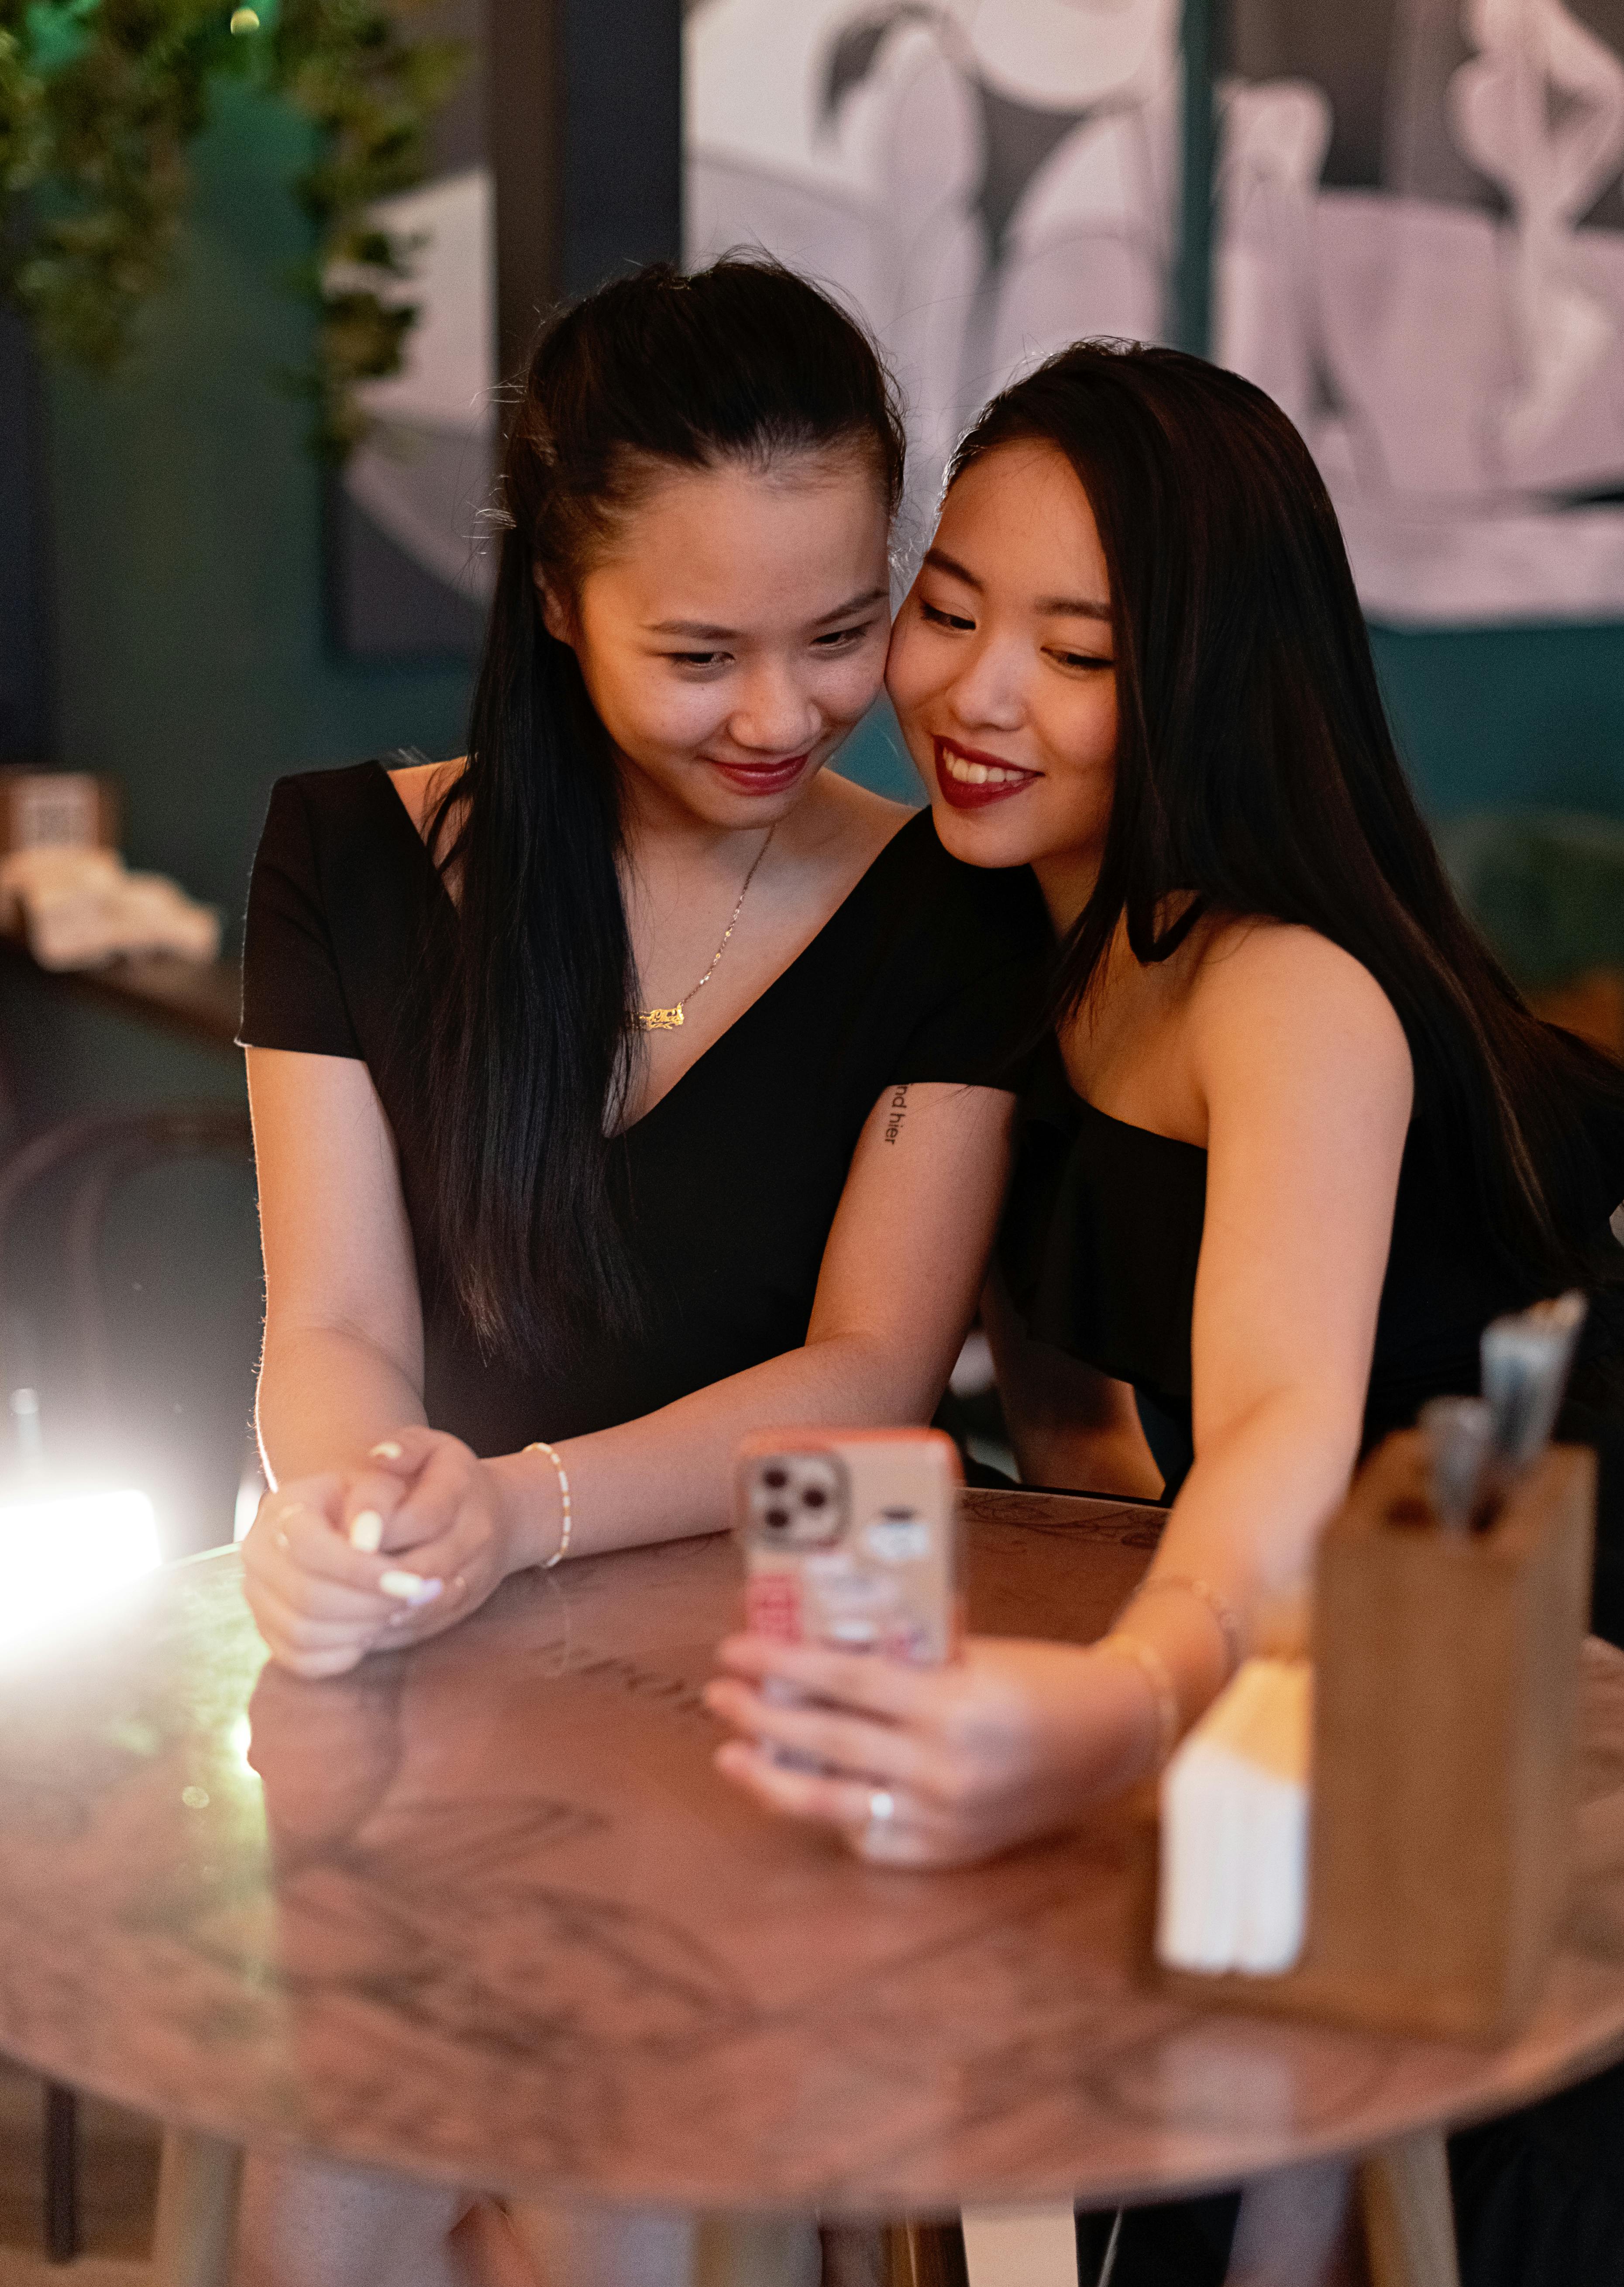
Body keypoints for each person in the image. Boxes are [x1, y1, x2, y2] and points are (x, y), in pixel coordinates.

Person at [707, 342, 1624, 2287]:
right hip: (1337, 1661)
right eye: (947, 607)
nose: (974, 693)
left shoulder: (1278, 984)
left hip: (1572, 1636)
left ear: (1209, 671)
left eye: (1078, 648)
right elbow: (1073, 1427)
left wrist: (1132, 1690)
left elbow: (1287, 1421)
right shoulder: (1005, 942)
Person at [234, 256, 1046, 2287]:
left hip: (789, 1669)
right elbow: (335, 1323)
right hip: (450, 1677)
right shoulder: (345, 861)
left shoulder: (950, 911)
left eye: (843, 632)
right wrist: (365, 1503)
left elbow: (869, 1367)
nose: (780, 714)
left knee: (611, 2210)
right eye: (700, 651)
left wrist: (529, 1505)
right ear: (555, 600)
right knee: (316, 2218)